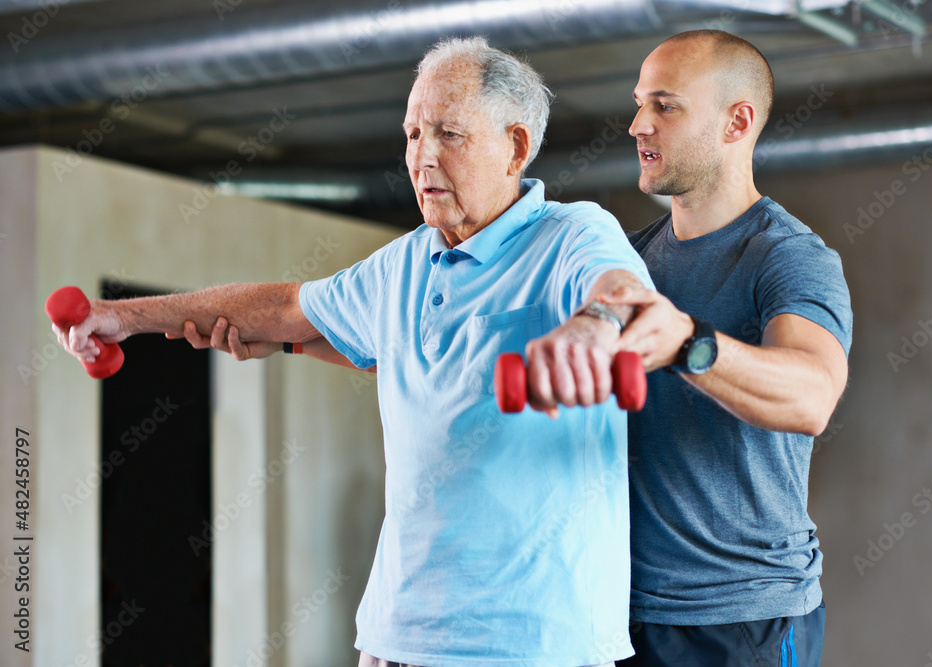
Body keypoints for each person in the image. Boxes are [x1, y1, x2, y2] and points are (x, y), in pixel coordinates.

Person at [54, 37, 653, 666]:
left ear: (516, 147)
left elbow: (618, 290)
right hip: (395, 640)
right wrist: (122, 318)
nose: (421, 158)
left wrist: (591, 328)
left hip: (531, 645)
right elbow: (290, 309)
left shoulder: (570, 234)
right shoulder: (404, 263)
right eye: (412, 134)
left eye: (448, 134)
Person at [601, 30, 852, 666]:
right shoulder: (625, 258)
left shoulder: (790, 256)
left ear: (736, 122)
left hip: (743, 618)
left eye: (665, 105)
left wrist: (687, 342)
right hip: (621, 612)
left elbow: (813, 394)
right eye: (638, 103)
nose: (637, 124)